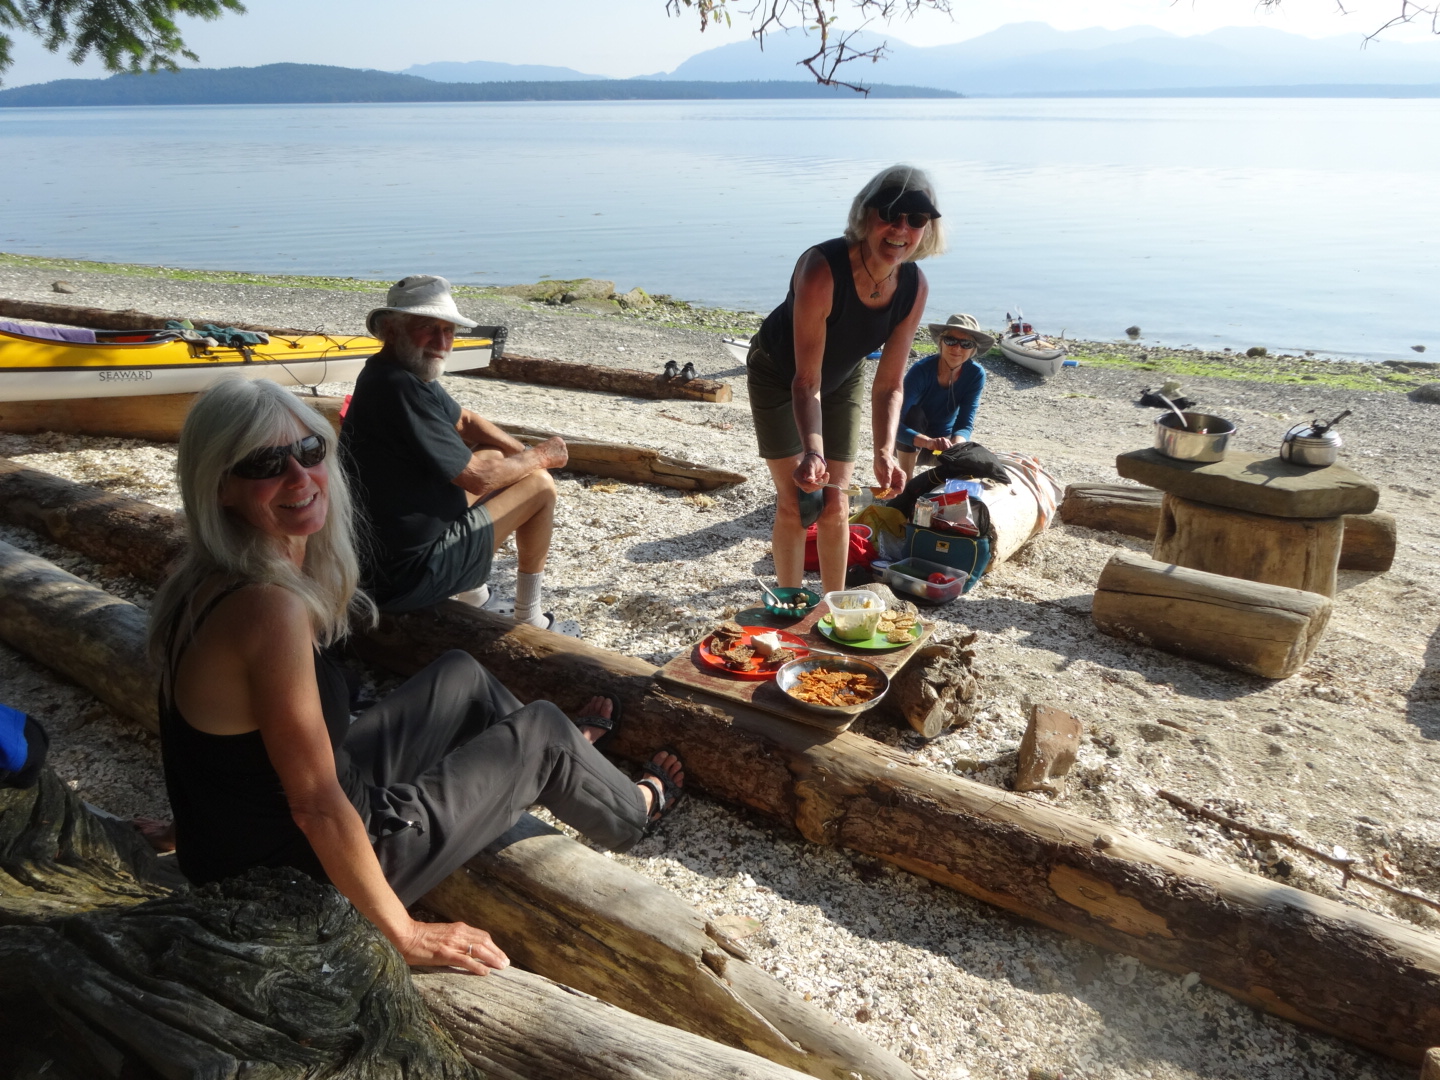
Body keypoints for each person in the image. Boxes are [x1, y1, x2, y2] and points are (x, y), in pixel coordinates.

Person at [146, 377, 683, 974]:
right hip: (300, 878)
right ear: (218, 486)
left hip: (259, 834)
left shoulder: (211, 574)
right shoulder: (267, 607)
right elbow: (315, 805)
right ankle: (631, 808)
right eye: (265, 464)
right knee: (545, 729)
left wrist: (189, 825)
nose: (299, 478)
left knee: (460, 675)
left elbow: (210, 746)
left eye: (309, 451)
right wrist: (402, 933)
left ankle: (562, 767)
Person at [746, 165, 943, 595]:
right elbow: (805, 380)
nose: (901, 229)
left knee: (837, 502)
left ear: (927, 228)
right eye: (890, 213)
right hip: (781, 376)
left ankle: (831, 609)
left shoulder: (913, 285)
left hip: (843, 375)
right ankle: (792, 605)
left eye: (916, 219)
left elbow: (890, 384)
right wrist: (812, 452)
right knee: (798, 502)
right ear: (865, 215)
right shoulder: (822, 268)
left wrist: (887, 453)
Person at [341, 274, 564, 627]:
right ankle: (530, 616)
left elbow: (465, 421)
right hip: (405, 576)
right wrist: (541, 458)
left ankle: (475, 595)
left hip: (383, 559)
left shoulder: (397, 372)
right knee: (539, 486)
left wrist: (520, 451)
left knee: (495, 453)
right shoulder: (397, 386)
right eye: (428, 327)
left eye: (449, 331)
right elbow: (479, 480)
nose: (441, 341)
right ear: (390, 329)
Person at [895, 313, 993, 482]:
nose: (957, 348)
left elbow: (965, 423)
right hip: (909, 441)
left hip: (944, 447)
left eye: (966, 344)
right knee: (914, 414)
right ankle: (905, 482)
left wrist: (956, 446)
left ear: (973, 349)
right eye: (950, 340)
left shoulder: (975, 374)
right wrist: (927, 442)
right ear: (940, 342)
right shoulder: (921, 371)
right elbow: (894, 423)